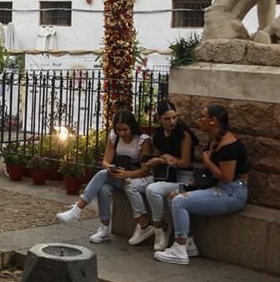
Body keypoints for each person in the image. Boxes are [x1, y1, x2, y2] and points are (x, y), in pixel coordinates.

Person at [155, 104, 249, 265]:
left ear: (213, 121)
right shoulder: (215, 140)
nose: (199, 120)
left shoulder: (229, 145)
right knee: (173, 196)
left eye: (202, 117)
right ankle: (189, 243)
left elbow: (227, 177)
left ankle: (180, 248)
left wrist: (207, 161)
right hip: (215, 186)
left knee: (179, 201)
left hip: (232, 192)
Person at [55, 111, 155, 244]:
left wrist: (127, 174)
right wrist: (109, 167)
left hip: (137, 177)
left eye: (125, 129)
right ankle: (104, 228)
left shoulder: (142, 140)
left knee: (102, 175)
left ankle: (78, 209)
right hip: (120, 175)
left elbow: (145, 170)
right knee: (103, 188)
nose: (122, 133)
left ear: (132, 127)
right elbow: (105, 161)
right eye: (118, 129)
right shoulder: (114, 137)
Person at [142, 100, 198, 252]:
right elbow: (158, 155)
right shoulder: (159, 133)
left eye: (174, 117)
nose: (172, 121)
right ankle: (155, 229)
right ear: (159, 118)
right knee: (139, 186)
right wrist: (163, 158)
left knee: (152, 190)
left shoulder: (183, 134)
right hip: (166, 176)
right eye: (167, 119)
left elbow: (185, 163)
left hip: (183, 177)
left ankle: (160, 228)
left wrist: (163, 158)